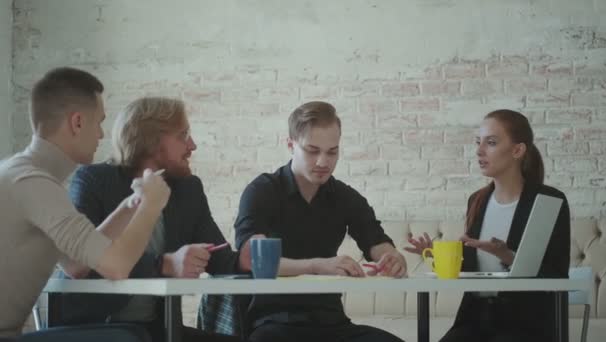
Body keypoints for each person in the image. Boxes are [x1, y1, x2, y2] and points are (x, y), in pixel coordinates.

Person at [52, 97, 251, 342]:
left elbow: (218, 258)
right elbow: (84, 266)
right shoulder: (93, 180)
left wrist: (242, 260)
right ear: (151, 140)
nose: (193, 145)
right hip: (94, 328)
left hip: (158, 329)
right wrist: (163, 264)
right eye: (183, 135)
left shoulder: (188, 189)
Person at [0, 67, 170, 339]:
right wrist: (151, 207)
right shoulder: (33, 183)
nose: (102, 135)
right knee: (127, 338)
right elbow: (116, 266)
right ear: (77, 122)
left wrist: (132, 205)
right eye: (99, 122)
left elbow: (76, 265)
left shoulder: (22, 174)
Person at [234, 101, 406, 342]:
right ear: (291, 145)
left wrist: (392, 258)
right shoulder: (262, 191)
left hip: (332, 322)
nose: (324, 162)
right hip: (275, 323)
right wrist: (316, 265)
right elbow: (251, 259)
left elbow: (375, 240)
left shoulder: (345, 197)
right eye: (313, 151)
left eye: (332, 151)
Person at [404, 109, 570, 342]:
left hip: (525, 324)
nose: (479, 151)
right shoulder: (477, 200)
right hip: (475, 319)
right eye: (478, 142)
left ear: (518, 150)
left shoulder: (549, 202)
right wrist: (435, 255)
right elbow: (472, 268)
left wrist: (508, 255)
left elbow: (557, 275)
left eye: (491, 143)